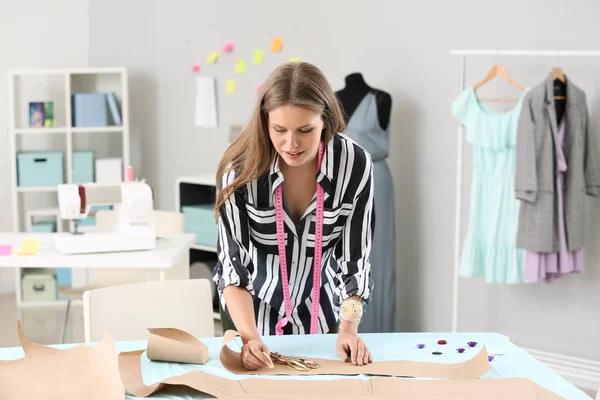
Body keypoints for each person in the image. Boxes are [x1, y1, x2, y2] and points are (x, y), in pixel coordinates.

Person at [213, 62, 375, 371]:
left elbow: (356, 260)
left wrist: (349, 330)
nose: (291, 144)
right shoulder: (239, 170)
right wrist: (250, 339)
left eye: (305, 130)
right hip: (249, 310)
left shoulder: (355, 166)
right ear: (265, 122)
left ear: (325, 121)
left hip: (325, 310)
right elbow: (232, 268)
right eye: (279, 130)